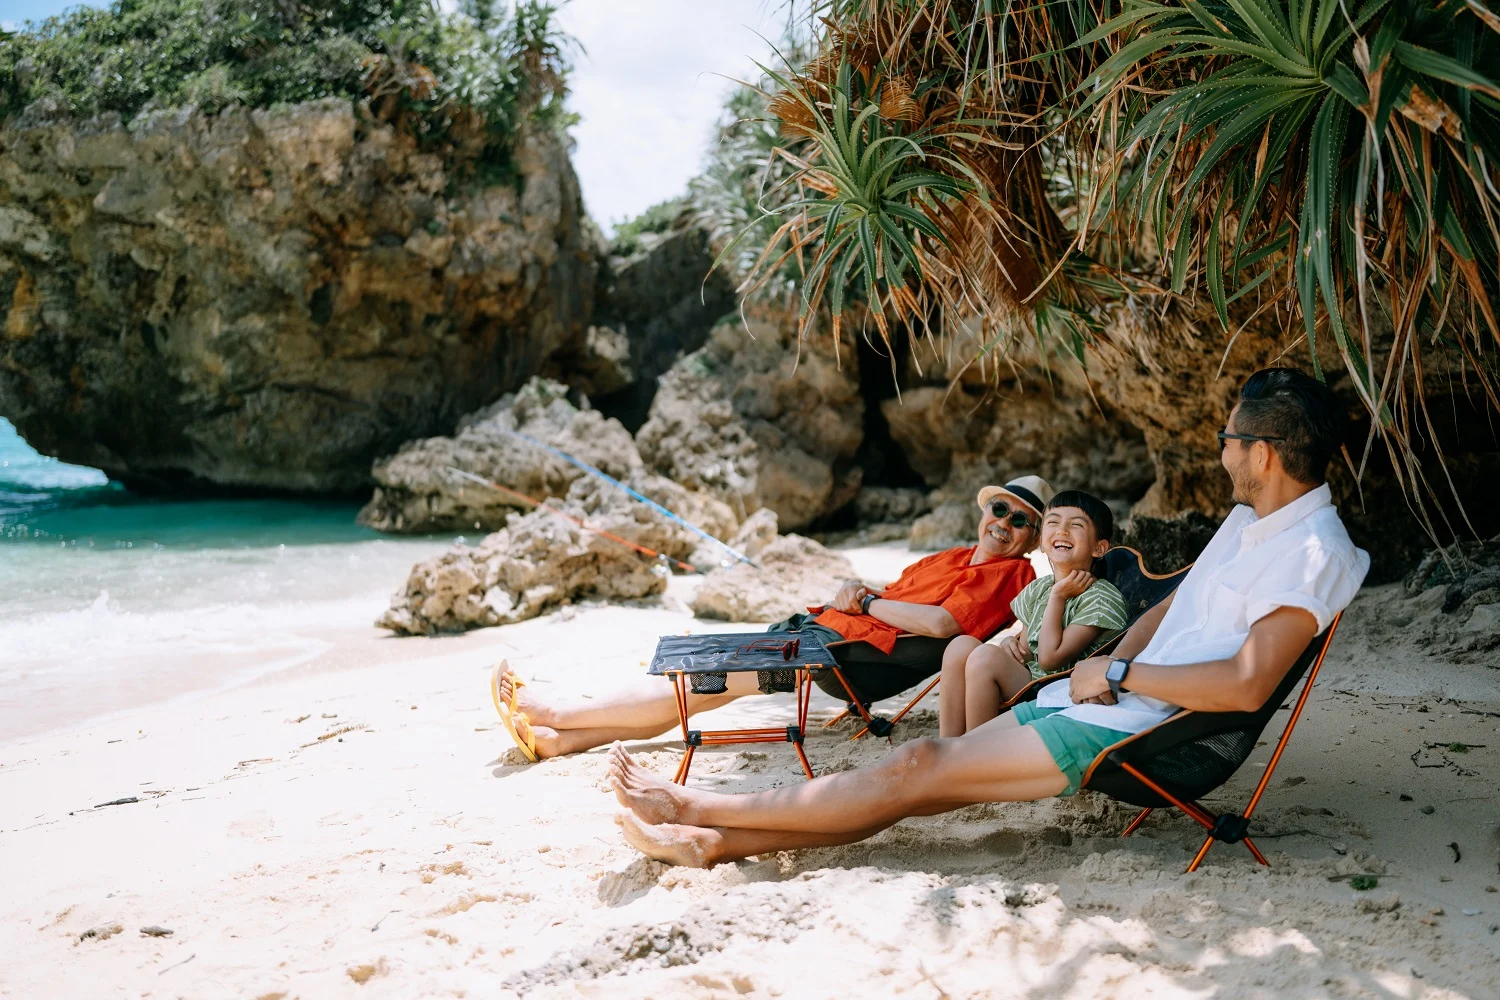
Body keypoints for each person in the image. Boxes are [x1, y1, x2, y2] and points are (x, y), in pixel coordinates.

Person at [607, 368, 1371, 868]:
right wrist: (1097, 670)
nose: (1223, 452)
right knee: (918, 776)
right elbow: (1174, 609)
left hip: (1143, 732)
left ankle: (694, 808)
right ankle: (706, 841)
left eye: (1228, 440)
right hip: (1100, 700)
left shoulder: (1313, 552)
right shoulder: (1249, 523)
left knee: (918, 768)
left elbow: (1245, 686)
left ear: (1264, 453)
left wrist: (1120, 672)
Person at [491, 477, 1051, 761]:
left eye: (1020, 520)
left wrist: (865, 604)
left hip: (851, 663)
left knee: (705, 676)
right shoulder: (949, 558)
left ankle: (555, 711)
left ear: (1032, 536)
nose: (1003, 523)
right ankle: (558, 739)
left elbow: (940, 626)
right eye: (999, 509)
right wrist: (858, 594)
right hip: (825, 635)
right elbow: (896, 597)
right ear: (985, 511)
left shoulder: (1011, 576)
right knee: (708, 682)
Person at [938, 489, 1128, 737]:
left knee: (984, 658)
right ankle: (949, 743)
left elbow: (1050, 659)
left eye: (1076, 525)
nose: (1062, 530)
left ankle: (976, 748)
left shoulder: (1101, 599)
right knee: (961, 645)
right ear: (1041, 542)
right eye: (1053, 522)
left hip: (1060, 691)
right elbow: (1028, 651)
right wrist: (1010, 645)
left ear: (1099, 548)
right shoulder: (1040, 588)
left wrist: (1058, 597)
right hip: (1032, 681)